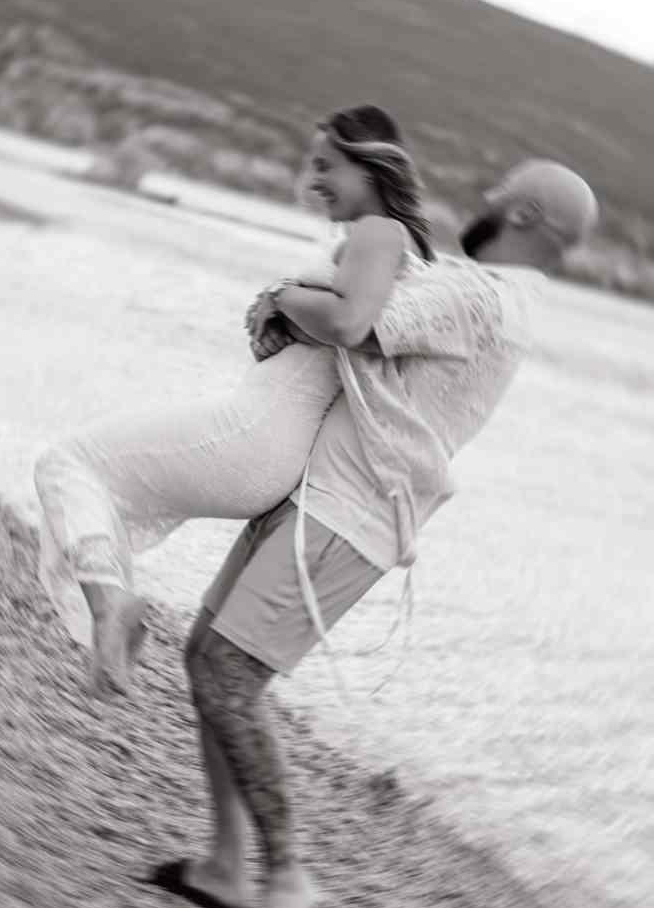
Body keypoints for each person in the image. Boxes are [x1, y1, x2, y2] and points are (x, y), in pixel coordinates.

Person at [172, 156, 598, 908]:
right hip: (322, 497)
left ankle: (288, 878)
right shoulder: (493, 294)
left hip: (347, 514)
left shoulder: (480, 294)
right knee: (207, 658)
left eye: (502, 186)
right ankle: (226, 867)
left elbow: (350, 319)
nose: (486, 192)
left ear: (531, 217)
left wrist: (273, 297)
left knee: (229, 676)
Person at [34, 105, 434, 699]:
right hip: (266, 440)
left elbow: (350, 324)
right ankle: (109, 604)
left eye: (327, 165)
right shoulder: (380, 241)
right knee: (78, 467)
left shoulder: (379, 232)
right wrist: (282, 314)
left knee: (68, 461)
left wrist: (279, 295)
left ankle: (111, 604)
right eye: (311, 164)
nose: (313, 179)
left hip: (257, 432)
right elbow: (342, 338)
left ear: (370, 167)